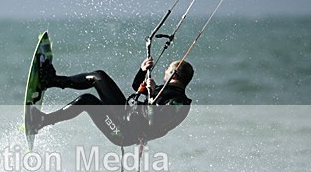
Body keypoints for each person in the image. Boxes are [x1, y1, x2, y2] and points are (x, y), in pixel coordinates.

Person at [28, 55, 193, 147]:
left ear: (175, 75)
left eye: (168, 70)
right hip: (126, 113)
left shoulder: (180, 103)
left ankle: (42, 121)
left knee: (86, 100)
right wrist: (142, 71)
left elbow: (152, 123)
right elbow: (137, 87)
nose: (165, 71)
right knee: (98, 76)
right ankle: (51, 81)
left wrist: (151, 95)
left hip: (126, 132)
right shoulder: (165, 89)